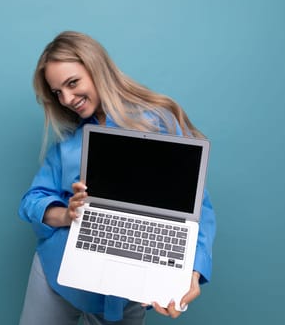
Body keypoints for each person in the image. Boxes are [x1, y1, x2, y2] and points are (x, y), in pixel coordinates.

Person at [18, 31, 216, 325]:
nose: (68, 99)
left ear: (97, 69)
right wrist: (67, 214)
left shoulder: (159, 122)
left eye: (72, 83)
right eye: (58, 92)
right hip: (56, 273)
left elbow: (197, 210)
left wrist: (191, 272)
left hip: (126, 294)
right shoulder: (69, 143)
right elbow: (30, 202)